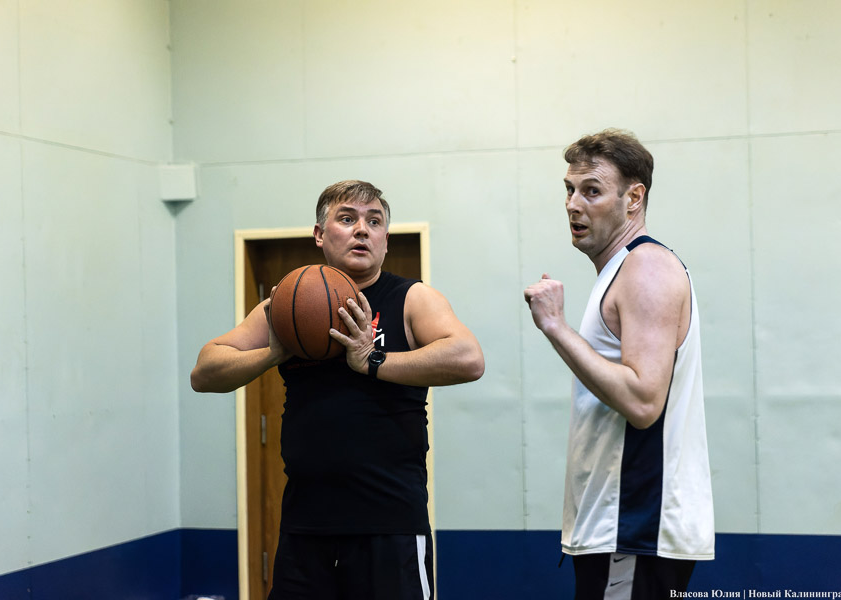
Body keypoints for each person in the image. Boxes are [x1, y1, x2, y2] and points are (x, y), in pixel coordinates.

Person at [191, 179, 485, 600]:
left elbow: (468, 359)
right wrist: (273, 353)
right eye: (347, 219)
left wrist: (373, 361)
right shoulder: (287, 304)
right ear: (319, 234)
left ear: (386, 240)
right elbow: (204, 372)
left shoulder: (412, 298)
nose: (362, 229)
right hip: (305, 527)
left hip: (389, 526)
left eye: (374, 221)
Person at [523, 129, 714, 599]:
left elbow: (644, 402)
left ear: (633, 198)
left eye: (591, 191)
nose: (573, 204)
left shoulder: (646, 266)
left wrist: (556, 327)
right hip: (620, 529)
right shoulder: (619, 270)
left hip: (633, 527)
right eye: (569, 189)